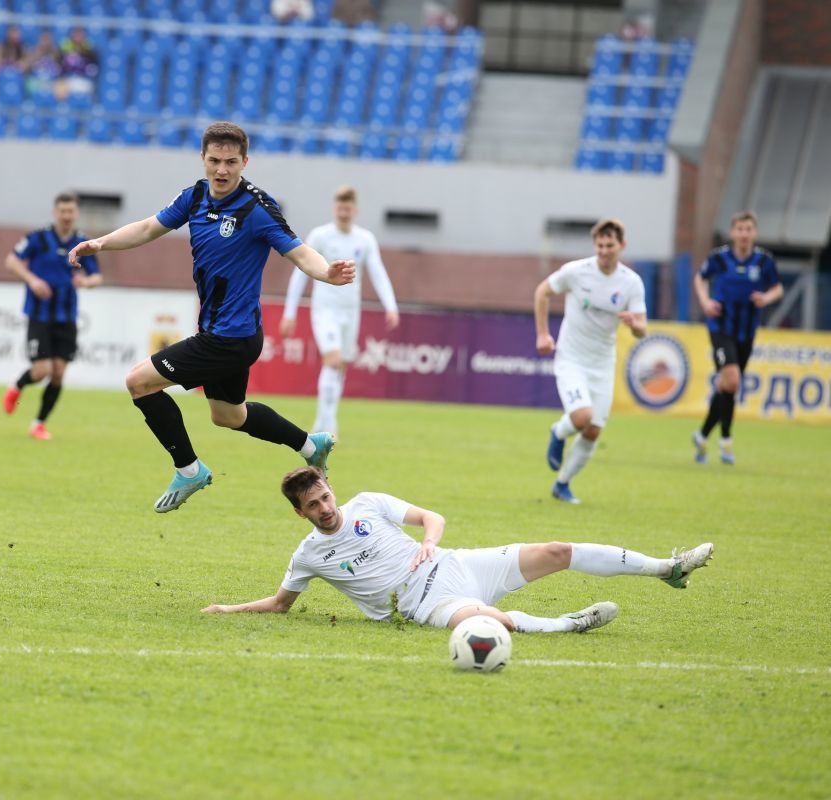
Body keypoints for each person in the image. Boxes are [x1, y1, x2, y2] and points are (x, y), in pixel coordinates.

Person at [67, 121, 356, 513]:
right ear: (203, 159)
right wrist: (102, 242)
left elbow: (299, 251)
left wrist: (327, 274)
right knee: (228, 415)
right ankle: (310, 444)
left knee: (139, 382)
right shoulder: (196, 196)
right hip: (227, 333)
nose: (222, 170)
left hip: (229, 337)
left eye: (231, 162)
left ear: (245, 162)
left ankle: (189, 470)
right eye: (215, 161)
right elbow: (150, 227)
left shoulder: (256, 208)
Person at [203, 467, 714, 633]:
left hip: (454, 563)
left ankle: (668, 568)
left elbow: (432, 517)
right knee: (490, 621)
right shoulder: (308, 555)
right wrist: (228, 607)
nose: (325, 508)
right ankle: (569, 623)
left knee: (558, 549)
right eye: (313, 506)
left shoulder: (366, 504)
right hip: (424, 604)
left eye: (325, 496)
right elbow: (280, 603)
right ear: (300, 513)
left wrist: (428, 543)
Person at [534, 218, 647, 504]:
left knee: (594, 430)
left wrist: (634, 324)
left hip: (602, 363)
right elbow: (542, 292)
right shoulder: (577, 271)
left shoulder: (631, 282)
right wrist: (543, 334)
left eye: (610, 245)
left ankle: (562, 484)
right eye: (600, 245)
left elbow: (642, 330)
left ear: (621, 246)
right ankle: (559, 431)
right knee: (582, 418)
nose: (604, 250)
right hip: (571, 358)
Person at [280, 185, 399, 437]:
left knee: (341, 366)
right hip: (326, 310)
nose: (343, 213)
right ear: (334, 208)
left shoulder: (365, 240)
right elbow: (300, 273)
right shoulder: (321, 236)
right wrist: (289, 312)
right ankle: (324, 425)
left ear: (355, 210)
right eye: (340, 208)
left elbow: (378, 273)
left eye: (348, 208)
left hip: (351, 311)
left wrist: (391, 306)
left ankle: (327, 420)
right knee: (332, 360)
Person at [2, 192, 102, 440]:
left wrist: (86, 282)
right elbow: (11, 261)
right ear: (55, 212)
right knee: (41, 371)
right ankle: (17, 385)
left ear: (76, 214)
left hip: (66, 317)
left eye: (71, 211)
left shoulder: (83, 243)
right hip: (39, 315)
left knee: (58, 373)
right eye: (62, 211)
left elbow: (97, 276)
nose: (66, 216)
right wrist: (32, 280)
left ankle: (38, 423)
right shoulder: (38, 238)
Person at [692, 211, 783, 465]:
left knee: (727, 385)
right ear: (733, 232)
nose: (744, 234)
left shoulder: (763, 261)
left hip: (747, 331)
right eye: (739, 229)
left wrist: (766, 298)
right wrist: (705, 301)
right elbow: (700, 278)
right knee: (732, 379)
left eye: (748, 229)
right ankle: (726, 441)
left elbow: (777, 288)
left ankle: (702, 436)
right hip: (720, 328)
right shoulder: (720, 258)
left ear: (754, 232)